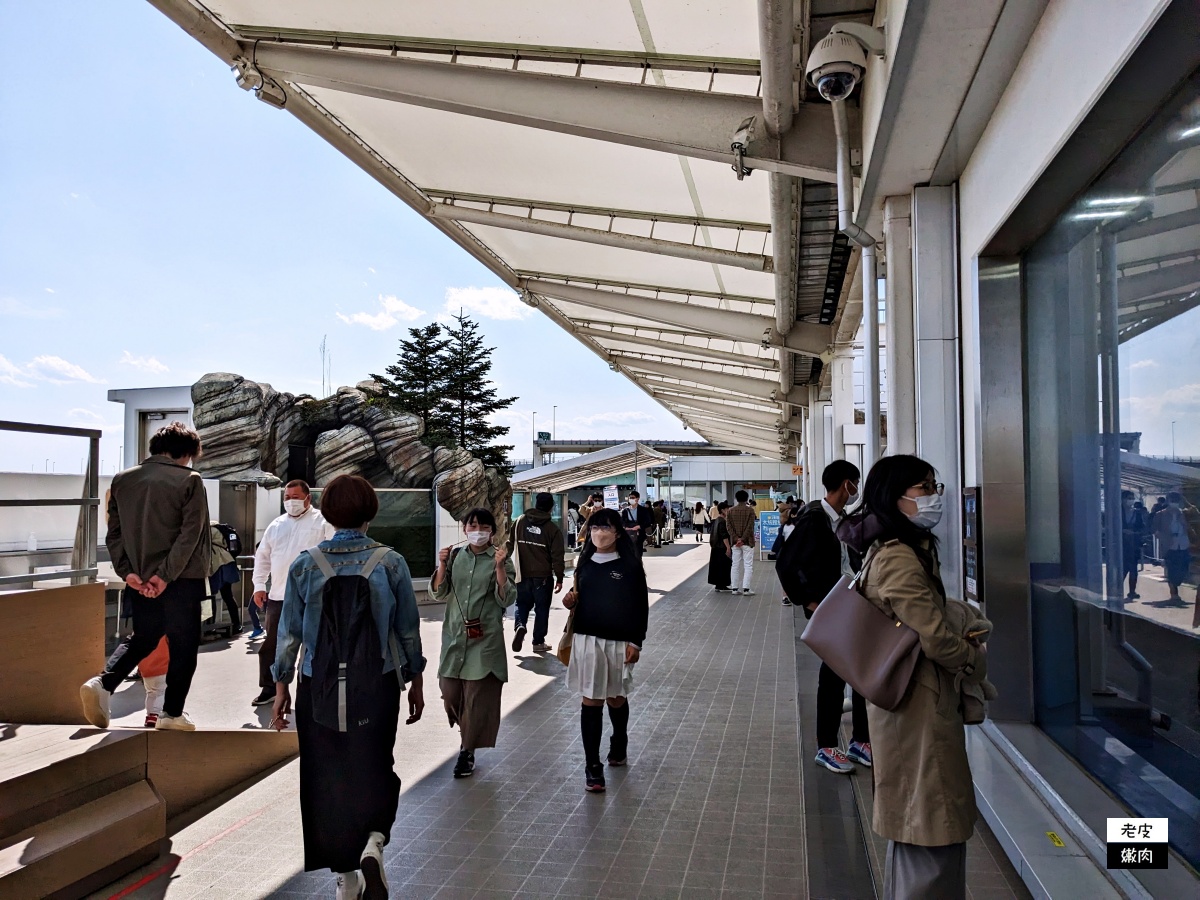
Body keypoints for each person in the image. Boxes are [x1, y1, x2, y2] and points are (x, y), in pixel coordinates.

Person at [270, 474, 426, 900]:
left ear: (329, 513)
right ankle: (373, 842)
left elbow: (289, 635)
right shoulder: (390, 563)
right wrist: (414, 679)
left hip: (316, 685)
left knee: (326, 776)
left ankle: (346, 878)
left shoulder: (305, 564)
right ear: (370, 512)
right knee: (375, 764)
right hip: (375, 684)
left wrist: (281, 685)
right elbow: (407, 631)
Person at [838, 454, 987, 900]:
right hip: (919, 706)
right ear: (896, 496)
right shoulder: (899, 558)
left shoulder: (889, 549)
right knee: (930, 825)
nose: (933, 496)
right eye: (924, 487)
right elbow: (935, 639)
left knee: (920, 824)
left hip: (913, 704)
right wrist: (973, 656)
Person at [81, 421, 210, 732]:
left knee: (144, 637)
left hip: (139, 579)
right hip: (181, 580)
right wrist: (164, 576)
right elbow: (189, 536)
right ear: (186, 453)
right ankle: (172, 714)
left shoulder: (123, 480)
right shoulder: (190, 480)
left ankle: (103, 682)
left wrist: (130, 574)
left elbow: (114, 535)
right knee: (183, 645)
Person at [776, 461, 870, 773]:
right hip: (831, 609)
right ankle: (827, 745)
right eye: (855, 483)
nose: (856, 489)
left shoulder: (841, 519)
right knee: (834, 675)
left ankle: (860, 739)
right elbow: (786, 564)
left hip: (850, 605)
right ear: (847, 485)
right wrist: (811, 602)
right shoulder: (815, 519)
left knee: (857, 672)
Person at [564, 508, 649, 792]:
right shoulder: (584, 563)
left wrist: (636, 642)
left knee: (614, 697)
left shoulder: (630, 565)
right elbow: (580, 597)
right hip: (587, 640)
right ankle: (592, 767)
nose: (600, 533)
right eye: (595, 527)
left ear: (618, 531)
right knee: (591, 700)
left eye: (606, 527)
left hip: (619, 641)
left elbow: (640, 606)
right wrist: (570, 601)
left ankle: (619, 739)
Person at [433, 507, 517, 778]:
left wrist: (500, 568)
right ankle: (466, 731)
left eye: (482, 526)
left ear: (492, 531)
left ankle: (466, 751)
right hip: (455, 638)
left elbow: (507, 599)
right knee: (451, 693)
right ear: (464, 530)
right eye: (471, 526)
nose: (476, 530)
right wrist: (443, 564)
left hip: (485, 640)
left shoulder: (501, 559)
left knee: (478, 696)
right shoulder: (456, 556)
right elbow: (439, 593)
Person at [251, 480, 334, 707]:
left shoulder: (322, 522)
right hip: (278, 596)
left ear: (308, 498)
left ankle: (313, 690)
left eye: (295, 497)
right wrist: (259, 585)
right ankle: (269, 689)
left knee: (314, 645)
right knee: (273, 645)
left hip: (313, 596)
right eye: (287, 497)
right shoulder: (276, 525)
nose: (290, 501)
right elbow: (263, 557)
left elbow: (332, 551)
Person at [507, 492, 565, 653]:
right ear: (551, 507)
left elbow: (509, 544)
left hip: (522, 573)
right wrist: (559, 577)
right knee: (541, 609)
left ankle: (520, 625)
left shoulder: (519, 521)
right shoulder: (552, 529)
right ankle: (538, 642)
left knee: (521, 604)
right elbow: (557, 557)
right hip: (543, 577)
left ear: (535, 503)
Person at [1153, 491, 1191, 603]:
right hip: (1170, 546)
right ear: (1168, 501)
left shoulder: (1184, 514)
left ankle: (1176, 586)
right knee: (1171, 570)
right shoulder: (1160, 514)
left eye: (1176, 500)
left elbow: (1191, 524)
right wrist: (1165, 538)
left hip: (1183, 544)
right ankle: (1174, 594)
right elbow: (1155, 530)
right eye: (1172, 500)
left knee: (1184, 568)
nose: (1175, 503)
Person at [207, 521, 242, 633]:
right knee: (228, 596)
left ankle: (210, 626)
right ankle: (237, 625)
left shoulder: (208, 531)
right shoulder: (222, 530)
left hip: (216, 565)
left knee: (211, 595)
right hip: (227, 563)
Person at [724, 490, 757, 595]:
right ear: (747, 499)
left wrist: (736, 538)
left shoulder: (730, 511)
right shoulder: (750, 511)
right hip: (747, 542)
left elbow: (728, 527)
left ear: (736, 499)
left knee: (735, 564)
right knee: (748, 565)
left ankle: (734, 588)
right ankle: (746, 589)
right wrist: (742, 539)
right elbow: (750, 527)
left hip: (734, 542)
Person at [1120, 491, 1148, 601]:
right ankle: (1117, 591)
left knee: (1133, 569)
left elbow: (1142, 527)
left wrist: (1136, 532)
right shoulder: (1117, 511)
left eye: (1132, 498)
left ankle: (1132, 591)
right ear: (1122, 499)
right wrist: (1122, 531)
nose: (1130, 500)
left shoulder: (1137, 513)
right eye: (1128, 498)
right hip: (1121, 543)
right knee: (1122, 568)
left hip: (1134, 543)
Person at [139, 637, 169, 728]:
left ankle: (149, 716)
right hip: (163, 668)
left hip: (146, 671)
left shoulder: (142, 631)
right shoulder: (165, 632)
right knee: (162, 692)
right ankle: (155, 714)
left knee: (150, 693)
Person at [708, 501, 733, 593]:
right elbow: (724, 536)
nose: (728, 510)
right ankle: (722, 584)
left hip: (716, 547)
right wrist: (728, 547)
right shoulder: (722, 521)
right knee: (724, 566)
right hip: (722, 547)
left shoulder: (717, 520)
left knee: (717, 566)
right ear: (723, 510)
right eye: (727, 509)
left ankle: (719, 585)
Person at [621, 491, 654, 558]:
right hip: (628, 534)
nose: (631, 499)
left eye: (633, 497)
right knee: (629, 553)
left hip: (639, 534)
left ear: (637, 499)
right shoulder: (625, 510)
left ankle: (638, 565)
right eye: (630, 498)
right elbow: (622, 521)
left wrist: (639, 526)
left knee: (638, 553)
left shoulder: (643, 510)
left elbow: (648, 522)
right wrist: (625, 527)